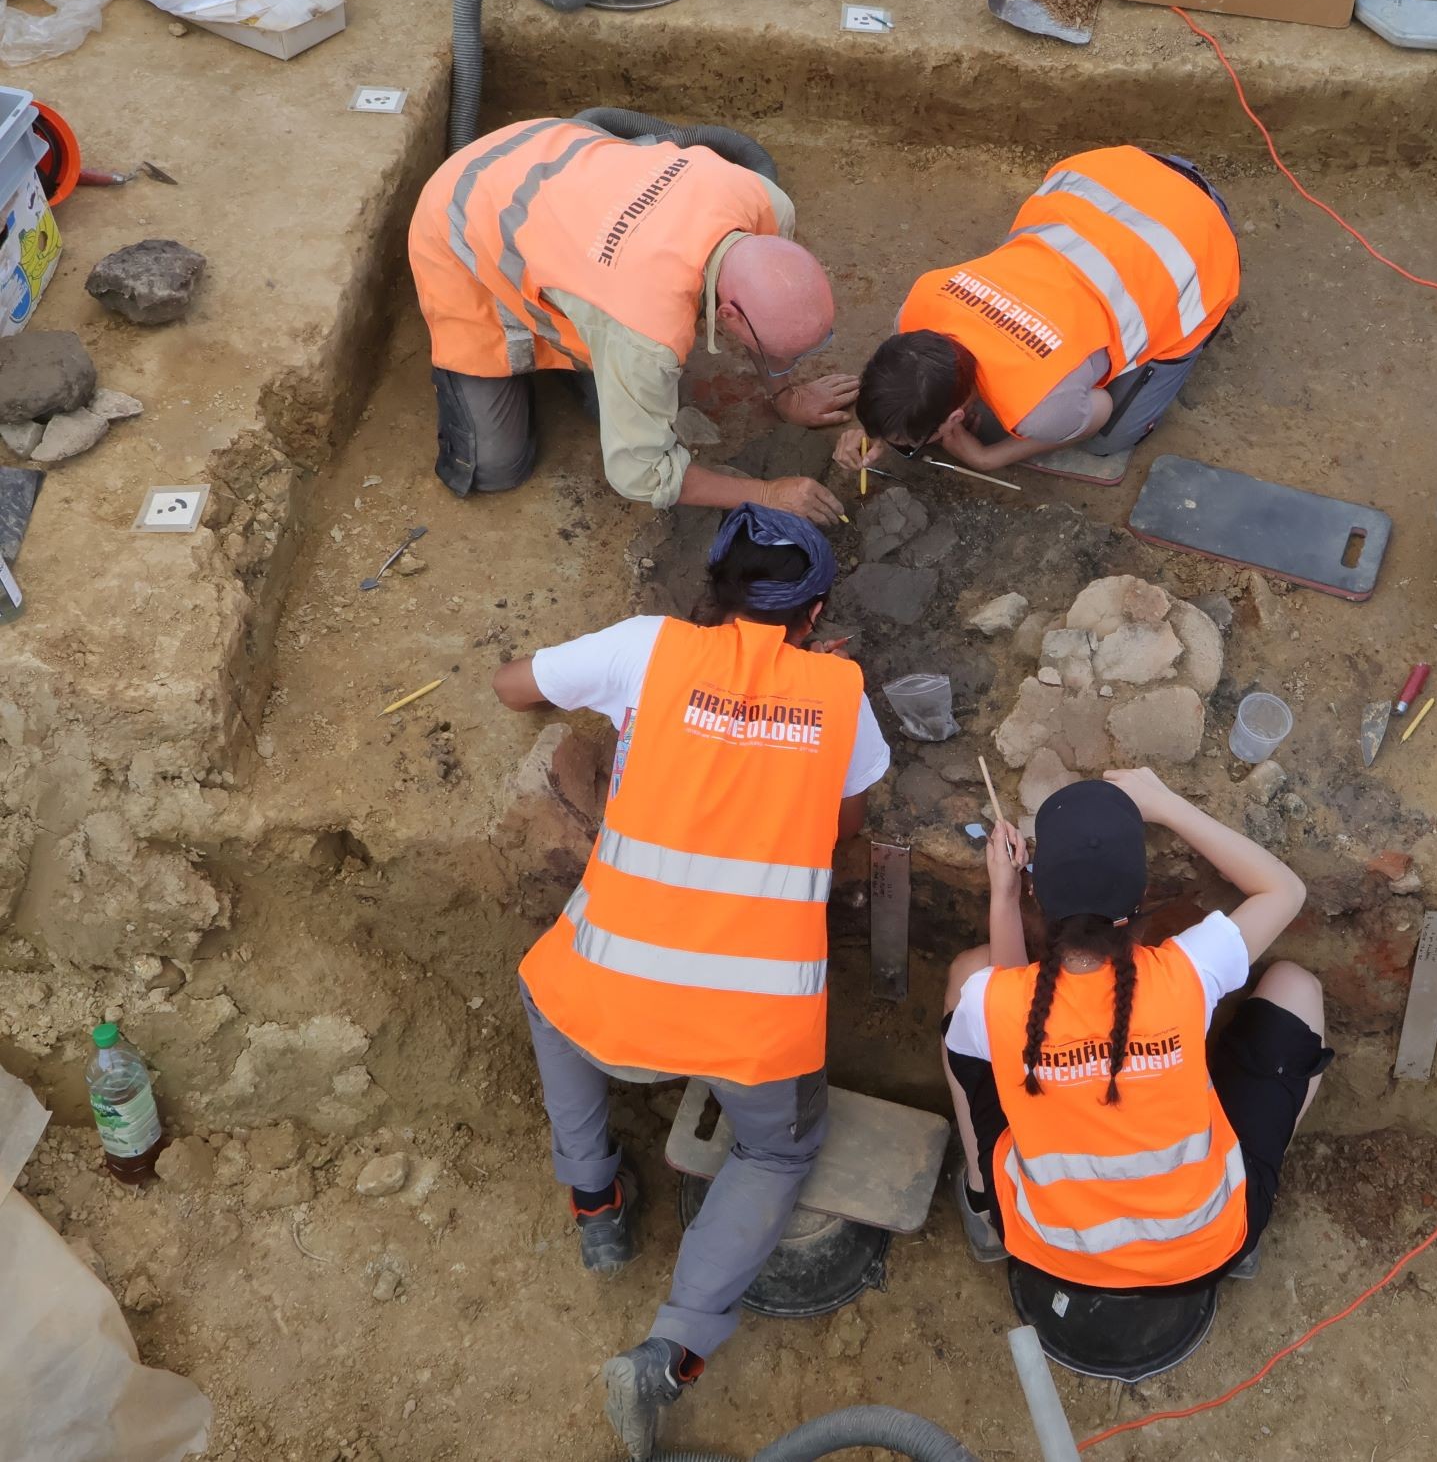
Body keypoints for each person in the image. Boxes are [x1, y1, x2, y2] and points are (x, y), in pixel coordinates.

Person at [491, 503, 889, 1458]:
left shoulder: (649, 648)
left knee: (547, 990)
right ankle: (671, 1348)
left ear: (712, 592)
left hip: (604, 999)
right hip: (749, 1031)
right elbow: (848, 823)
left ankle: (596, 1205)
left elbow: (513, 686)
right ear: (818, 610)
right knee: (781, 1153)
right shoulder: (841, 690)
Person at [940, 769, 1326, 1295]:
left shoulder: (997, 1001)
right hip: (1207, 1246)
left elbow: (1003, 995)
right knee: (1296, 987)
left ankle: (985, 1196)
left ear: (1036, 889)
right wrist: (1168, 805)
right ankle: (1239, 1235)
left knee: (969, 979)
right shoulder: (1188, 970)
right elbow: (1285, 889)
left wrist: (1003, 898)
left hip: (1050, 1249)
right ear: (1144, 893)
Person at [411, 119, 859, 523]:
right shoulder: (646, 330)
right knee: (497, 467)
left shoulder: (767, 204)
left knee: (627, 386)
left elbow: (762, 305)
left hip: (554, 162)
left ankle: (572, 333)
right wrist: (765, 493)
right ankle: (485, 372)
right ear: (727, 315)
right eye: (775, 355)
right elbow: (639, 475)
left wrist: (785, 393)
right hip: (463, 222)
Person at [836, 146, 1240, 475]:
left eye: (913, 446)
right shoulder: (915, 310)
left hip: (1196, 237)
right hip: (1115, 171)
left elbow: (1100, 410)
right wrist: (874, 429)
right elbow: (902, 381)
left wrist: (987, 458)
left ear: (957, 418)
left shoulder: (1039, 409)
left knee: (1109, 437)